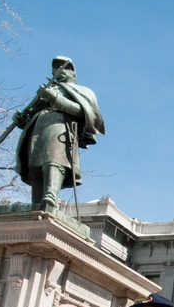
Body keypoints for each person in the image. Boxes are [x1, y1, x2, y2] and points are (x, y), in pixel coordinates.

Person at [13, 56, 105, 211]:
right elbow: (32, 113)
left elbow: (87, 114)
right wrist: (22, 119)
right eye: (56, 66)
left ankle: (50, 195)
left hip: (60, 124)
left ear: (73, 72)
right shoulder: (48, 89)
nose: (59, 69)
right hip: (37, 126)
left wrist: (56, 99)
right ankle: (37, 202)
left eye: (65, 66)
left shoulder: (82, 91)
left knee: (54, 158)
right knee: (34, 164)